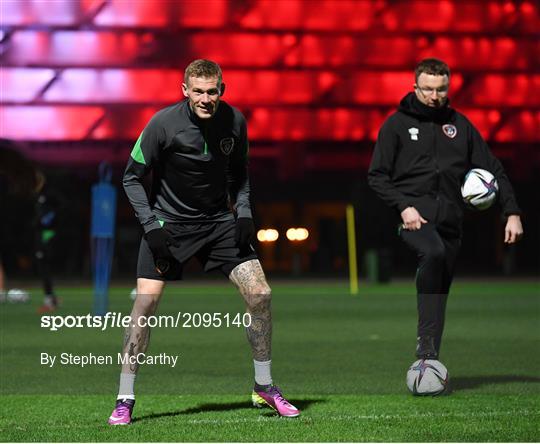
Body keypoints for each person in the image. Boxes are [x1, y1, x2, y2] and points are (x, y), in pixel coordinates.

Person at [108, 59, 300, 425]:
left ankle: (264, 386)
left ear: (221, 90)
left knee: (260, 294)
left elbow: (240, 173)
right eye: (198, 91)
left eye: (212, 91)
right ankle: (125, 397)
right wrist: (151, 226)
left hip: (218, 224)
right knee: (144, 308)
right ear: (185, 90)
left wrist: (243, 212)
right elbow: (131, 178)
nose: (205, 98)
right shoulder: (162, 124)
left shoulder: (235, 121)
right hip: (168, 226)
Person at [368, 58, 523, 361]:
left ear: (447, 87)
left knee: (440, 293)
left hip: (451, 221)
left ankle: (430, 363)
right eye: (428, 89)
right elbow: (376, 176)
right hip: (413, 219)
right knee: (433, 252)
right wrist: (404, 207)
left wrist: (512, 212)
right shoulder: (396, 125)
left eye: (441, 89)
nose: (434, 96)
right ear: (415, 87)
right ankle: (424, 343)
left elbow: (493, 169)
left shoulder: (460, 126)